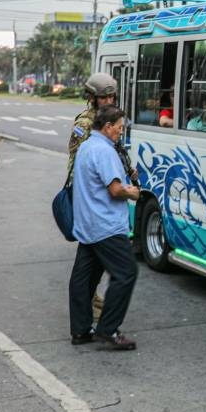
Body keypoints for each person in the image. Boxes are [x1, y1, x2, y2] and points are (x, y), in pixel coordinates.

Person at [68, 105, 141, 350]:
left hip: (88, 224)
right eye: (120, 128)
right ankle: (108, 329)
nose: (122, 132)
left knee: (84, 279)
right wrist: (131, 192)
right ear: (108, 127)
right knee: (126, 272)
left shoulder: (87, 146)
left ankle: (80, 330)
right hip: (106, 225)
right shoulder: (104, 150)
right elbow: (115, 189)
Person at [67, 73, 117, 181]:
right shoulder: (84, 123)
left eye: (111, 96)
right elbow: (77, 160)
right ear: (92, 98)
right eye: (103, 97)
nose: (109, 101)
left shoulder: (111, 119)